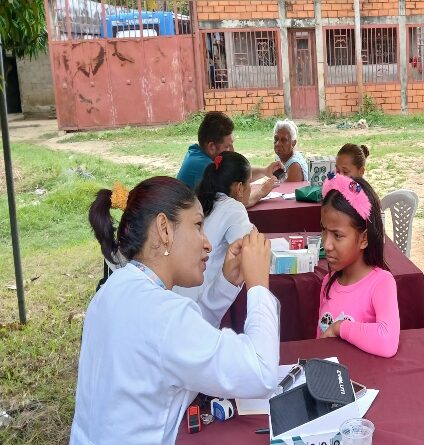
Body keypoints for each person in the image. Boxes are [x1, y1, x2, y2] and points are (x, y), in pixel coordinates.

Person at [74, 177, 280, 444]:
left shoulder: (115, 289)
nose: (207, 244)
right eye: (197, 225)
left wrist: (227, 284)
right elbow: (262, 373)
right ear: (164, 229)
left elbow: (179, 346)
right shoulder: (163, 315)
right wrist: (258, 286)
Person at [317, 173, 400, 358]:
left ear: (363, 239)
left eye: (337, 235)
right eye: (324, 230)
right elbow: (321, 343)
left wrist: (340, 327)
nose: (327, 244)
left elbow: (388, 342)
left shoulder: (382, 283)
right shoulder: (328, 282)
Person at [173, 152, 256, 301]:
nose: (251, 188)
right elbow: (250, 250)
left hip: (179, 290)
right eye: (249, 182)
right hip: (201, 298)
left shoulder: (201, 200)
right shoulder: (233, 208)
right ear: (239, 188)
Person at [177, 112, 282, 202]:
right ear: (211, 147)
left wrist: (265, 171)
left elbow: (236, 173)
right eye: (227, 146)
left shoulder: (197, 152)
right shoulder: (205, 167)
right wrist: (262, 191)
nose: (233, 150)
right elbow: (237, 201)